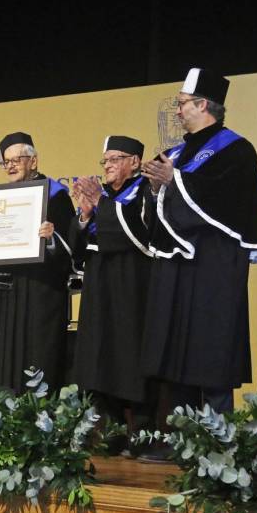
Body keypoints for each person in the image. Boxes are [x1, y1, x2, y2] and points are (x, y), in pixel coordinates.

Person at [140, 68, 257, 415]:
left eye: (182, 104)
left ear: (203, 105)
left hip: (214, 265)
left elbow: (224, 202)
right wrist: (156, 190)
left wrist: (175, 182)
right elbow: (161, 211)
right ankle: (179, 435)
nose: (178, 111)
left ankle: (220, 442)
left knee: (211, 350)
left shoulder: (237, 150)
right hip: (178, 267)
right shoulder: (176, 154)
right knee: (177, 354)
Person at [68, 135, 155, 439]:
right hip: (98, 285)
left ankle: (142, 433)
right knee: (99, 354)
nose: (107, 166)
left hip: (133, 284)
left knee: (129, 354)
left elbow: (140, 232)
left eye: (115, 159)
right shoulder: (100, 193)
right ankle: (108, 433)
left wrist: (101, 205)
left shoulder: (146, 190)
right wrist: (85, 215)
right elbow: (77, 246)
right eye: (104, 161)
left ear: (134, 162)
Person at [0, 132, 76, 391]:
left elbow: (70, 245)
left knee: (38, 355)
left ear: (33, 161)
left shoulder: (55, 195)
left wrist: (51, 237)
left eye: (17, 160)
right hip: (5, 290)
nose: (10, 166)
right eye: (6, 162)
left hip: (39, 291)